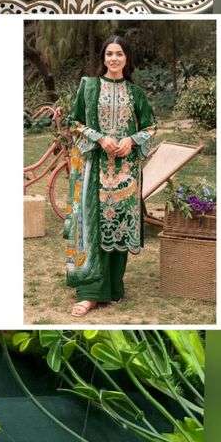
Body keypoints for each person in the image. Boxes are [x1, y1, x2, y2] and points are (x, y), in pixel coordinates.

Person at [65, 35, 155, 315]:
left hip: (126, 172)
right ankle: (91, 292)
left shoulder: (135, 93)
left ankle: (113, 286)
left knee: (119, 226)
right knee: (94, 225)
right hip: (95, 169)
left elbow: (151, 127)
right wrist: (100, 138)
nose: (114, 59)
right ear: (103, 58)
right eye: (109, 54)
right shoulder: (89, 87)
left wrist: (132, 140)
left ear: (127, 58)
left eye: (119, 54)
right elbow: (74, 122)